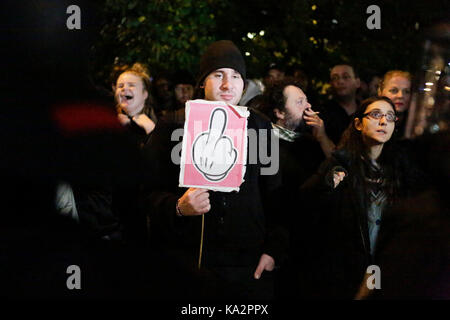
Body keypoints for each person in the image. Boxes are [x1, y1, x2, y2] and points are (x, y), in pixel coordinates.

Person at [142, 40, 287, 300]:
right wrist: (176, 207)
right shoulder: (174, 125)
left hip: (248, 267)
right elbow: (144, 191)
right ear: (202, 81)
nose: (227, 84)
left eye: (235, 76)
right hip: (190, 262)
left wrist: (273, 250)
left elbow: (276, 196)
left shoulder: (260, 127)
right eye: (218, 74)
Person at [299, 96, 414, 298]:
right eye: (376, 115)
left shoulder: (402, 169)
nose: (383, 121)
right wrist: (328, 184)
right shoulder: (340, 164)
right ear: (358, 124)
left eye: (389, 116)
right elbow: (306, 204)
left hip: (385, 268)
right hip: (345, 271)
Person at [114, 63, 157, 146]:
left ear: (145, 94)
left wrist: (152, 131)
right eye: (120, 86)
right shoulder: (108, 120)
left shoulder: (162, 121)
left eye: (131, 85)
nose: (124, 88)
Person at [319, 63, 361, 145]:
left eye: (345, 77)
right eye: (335, 78)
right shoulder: (322, 113)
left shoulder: (366, 110)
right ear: (331, 84)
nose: (340, 81)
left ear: (357, 82)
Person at [378, 70, 412, 138]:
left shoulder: (414, 126)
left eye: (406, 92)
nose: (400, 96)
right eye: (394, 90)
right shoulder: (370, 123)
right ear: (380, 92)